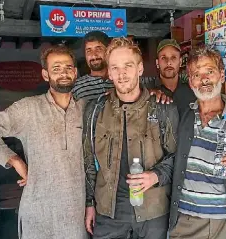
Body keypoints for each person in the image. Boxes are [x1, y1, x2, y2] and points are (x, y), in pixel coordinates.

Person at [0, 45, 87, 239]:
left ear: (75, 73)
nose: (63, 73)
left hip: (75, 211)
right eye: (56, 68)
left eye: (68, 68)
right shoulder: (28, 108)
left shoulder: (86, 109)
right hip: (38, 210)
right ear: (45, 74)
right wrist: (15, 160)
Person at [83, 37, 179, 239]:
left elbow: (179, 156)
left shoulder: (163, 107)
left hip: (154, 213)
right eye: (115, 67)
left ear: (140, 68)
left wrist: (156, 175)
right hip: (108, 214)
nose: (122, 73)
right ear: (108, 72)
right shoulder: (95, 110)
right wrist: (90, 204)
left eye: (128, 65)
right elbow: (89, 161)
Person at [169, 47, 226, 239]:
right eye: (196, 74)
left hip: (225, 223)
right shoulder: (182, 118)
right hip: (186, 221)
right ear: (191, 82)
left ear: (221, 74)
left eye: (209, 71)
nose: (204, 79)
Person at [72, 31, 171, 104]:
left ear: (108, 51)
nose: (94, 55)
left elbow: (143, 93)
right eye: (89, 50)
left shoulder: (132, 78)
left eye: (98, 49)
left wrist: (153, 93)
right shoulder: (76, 87)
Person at [154, 39, 196, 113]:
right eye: (163, 58)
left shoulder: (192, 88)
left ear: (180, 62)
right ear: (157, 63)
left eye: (173, 57)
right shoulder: (148, 90)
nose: (169, 62)